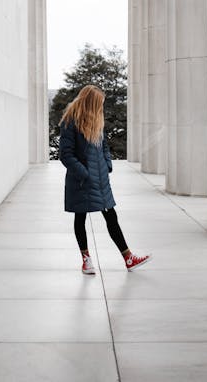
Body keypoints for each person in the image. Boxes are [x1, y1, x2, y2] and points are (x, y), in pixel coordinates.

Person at [58, 84, 152, 275]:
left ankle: (128, 257)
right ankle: (86, 260)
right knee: (80, 217)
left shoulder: (97, 120)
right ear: (90, 102)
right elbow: (65, 155)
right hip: (81, 181)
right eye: (99, 103)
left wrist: (107, 164)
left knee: (111, 216)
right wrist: (84, 173)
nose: (101, 106)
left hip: (100, 180)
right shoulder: (70, 122)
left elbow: (104, 147)